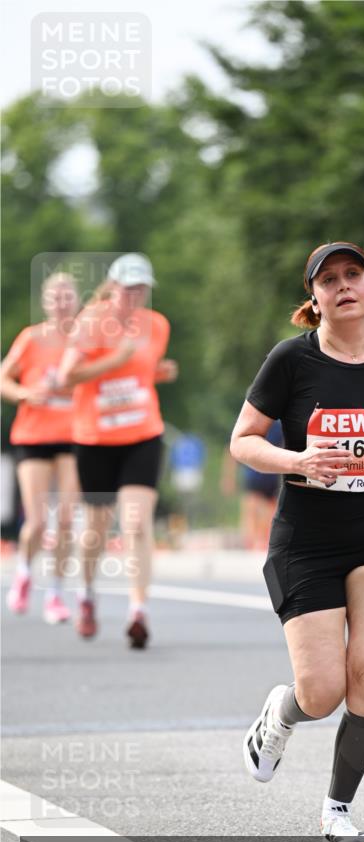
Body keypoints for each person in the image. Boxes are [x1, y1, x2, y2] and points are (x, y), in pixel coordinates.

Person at [230, 242, 364, 842]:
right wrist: (296, 460)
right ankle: (281, 714)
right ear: (315, 298)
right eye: (329, 280)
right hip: (309, 541)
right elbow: (243, 440)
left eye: (354, 275)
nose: (343, 285)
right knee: (321, 693)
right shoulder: (291, 360)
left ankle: (337, 811)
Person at [57, 253, 178, 647]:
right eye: (127, 288)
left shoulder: (157, 325)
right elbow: (66, 377)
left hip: (142, 435)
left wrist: (158, 372)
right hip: (95, 440)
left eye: (141, 288)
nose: (134, 296)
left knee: (136, 524)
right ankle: (86, 594)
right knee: (95, 528)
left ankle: (138, 610)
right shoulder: (91, 321)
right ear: (113, 287)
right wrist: (115, 359)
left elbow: (140, 372)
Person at [1, 272, 80, 623]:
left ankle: (55, 594)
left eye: (67, 297)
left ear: (77, 301)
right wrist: (23, 393)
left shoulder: (85, 340)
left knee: (65, 519)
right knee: (36, 521)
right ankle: (23, 573)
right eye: (55, 298)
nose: (62, 304)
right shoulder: (32, 338)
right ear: (46, 303)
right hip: (34, 436)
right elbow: (3, 378)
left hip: (75, 436)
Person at [220, 420, 284, 550]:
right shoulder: (249, 421)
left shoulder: (278, 426)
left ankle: (262, 543)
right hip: (253, 475)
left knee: (268, 514)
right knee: (252, 511)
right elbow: (231, 450)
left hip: (271, 477)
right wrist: (228, 477)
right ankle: (251, 543)